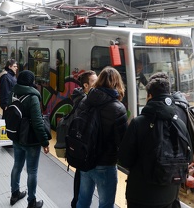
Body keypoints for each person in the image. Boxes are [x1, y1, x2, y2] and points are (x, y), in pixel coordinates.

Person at [118, 72, 187, 208]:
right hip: (169, 194)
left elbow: (124, 159)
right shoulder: (180, 124)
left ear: (149, 96)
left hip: (140, 195)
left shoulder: (138, 123)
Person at [76, 66, 128, 208]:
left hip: (85, 159)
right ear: (117, 83)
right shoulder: (118, 108)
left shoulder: (85, 101)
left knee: (83, 200)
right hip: (105, 164)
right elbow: (123, 142)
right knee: (105, 204)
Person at [9, 70, 50, 208]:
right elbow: (38, 123)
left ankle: (15, 194)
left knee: (17, 165)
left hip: (16, 137)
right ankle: (32, 202)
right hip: (30, 140)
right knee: (32, 171)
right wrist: (45, 142)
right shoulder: (32, 97)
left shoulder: (14, 93)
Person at [70, 70, 97, 208]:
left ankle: (76, 203)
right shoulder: (84, 101)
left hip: (81, 148)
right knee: (81, 179)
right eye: (94, 81)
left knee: (80, 177)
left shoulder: (80, 97)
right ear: (86, 85)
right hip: (83, 148)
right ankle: (76, 203)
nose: (97, 84)